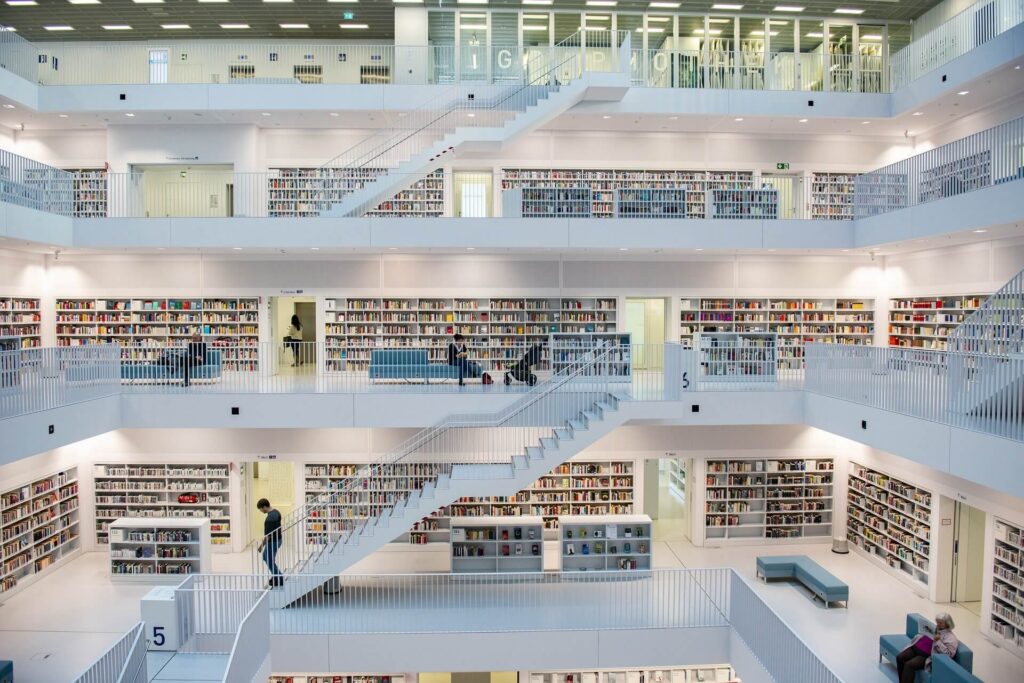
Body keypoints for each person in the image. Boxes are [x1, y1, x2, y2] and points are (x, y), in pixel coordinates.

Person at [896, 613, 958, 683]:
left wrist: (938, 641)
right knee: (899, 657)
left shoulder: (951, 638)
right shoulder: (936, 629)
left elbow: (948, 655)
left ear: (947, 624)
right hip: (915, 648)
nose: (938, 624)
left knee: (909, 665)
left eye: (940, 623)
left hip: (925, 656)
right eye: (937, 622)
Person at [257, 498, 283, 588]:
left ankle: (278, 578)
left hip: (273, 542)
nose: (260, 511)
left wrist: (261, 546)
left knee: (268, 560)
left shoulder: (269, 519)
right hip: (278, 540)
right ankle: (276, 575)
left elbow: (268, 536)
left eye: (260, 509)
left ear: (264, 507)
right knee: (267, 558)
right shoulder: (277, 512)